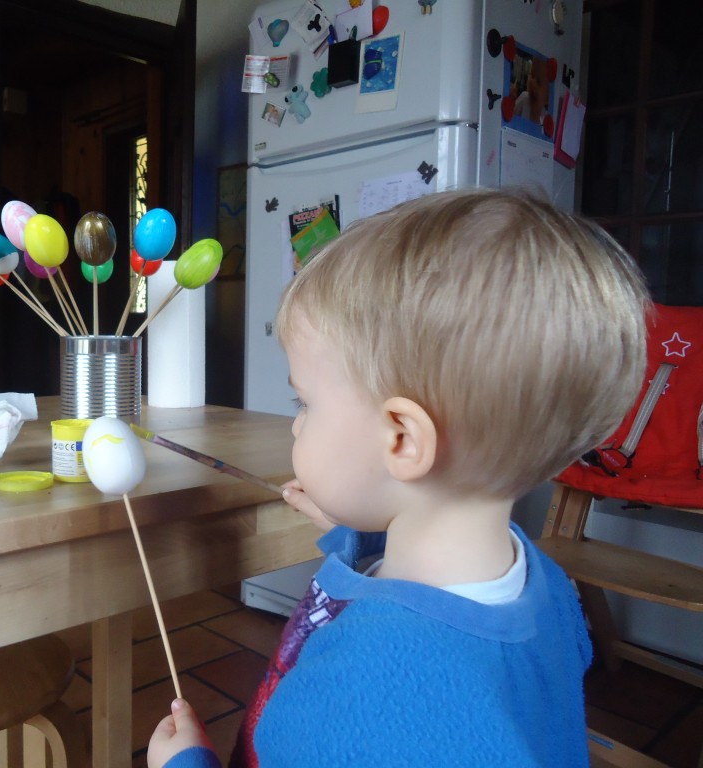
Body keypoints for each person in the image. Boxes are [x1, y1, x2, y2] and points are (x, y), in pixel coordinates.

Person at [147, 188, 650, 768]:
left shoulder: (361, 693)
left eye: (303, 402)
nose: (296, 425)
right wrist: (356, 529)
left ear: (402, 440)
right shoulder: (548, 588)